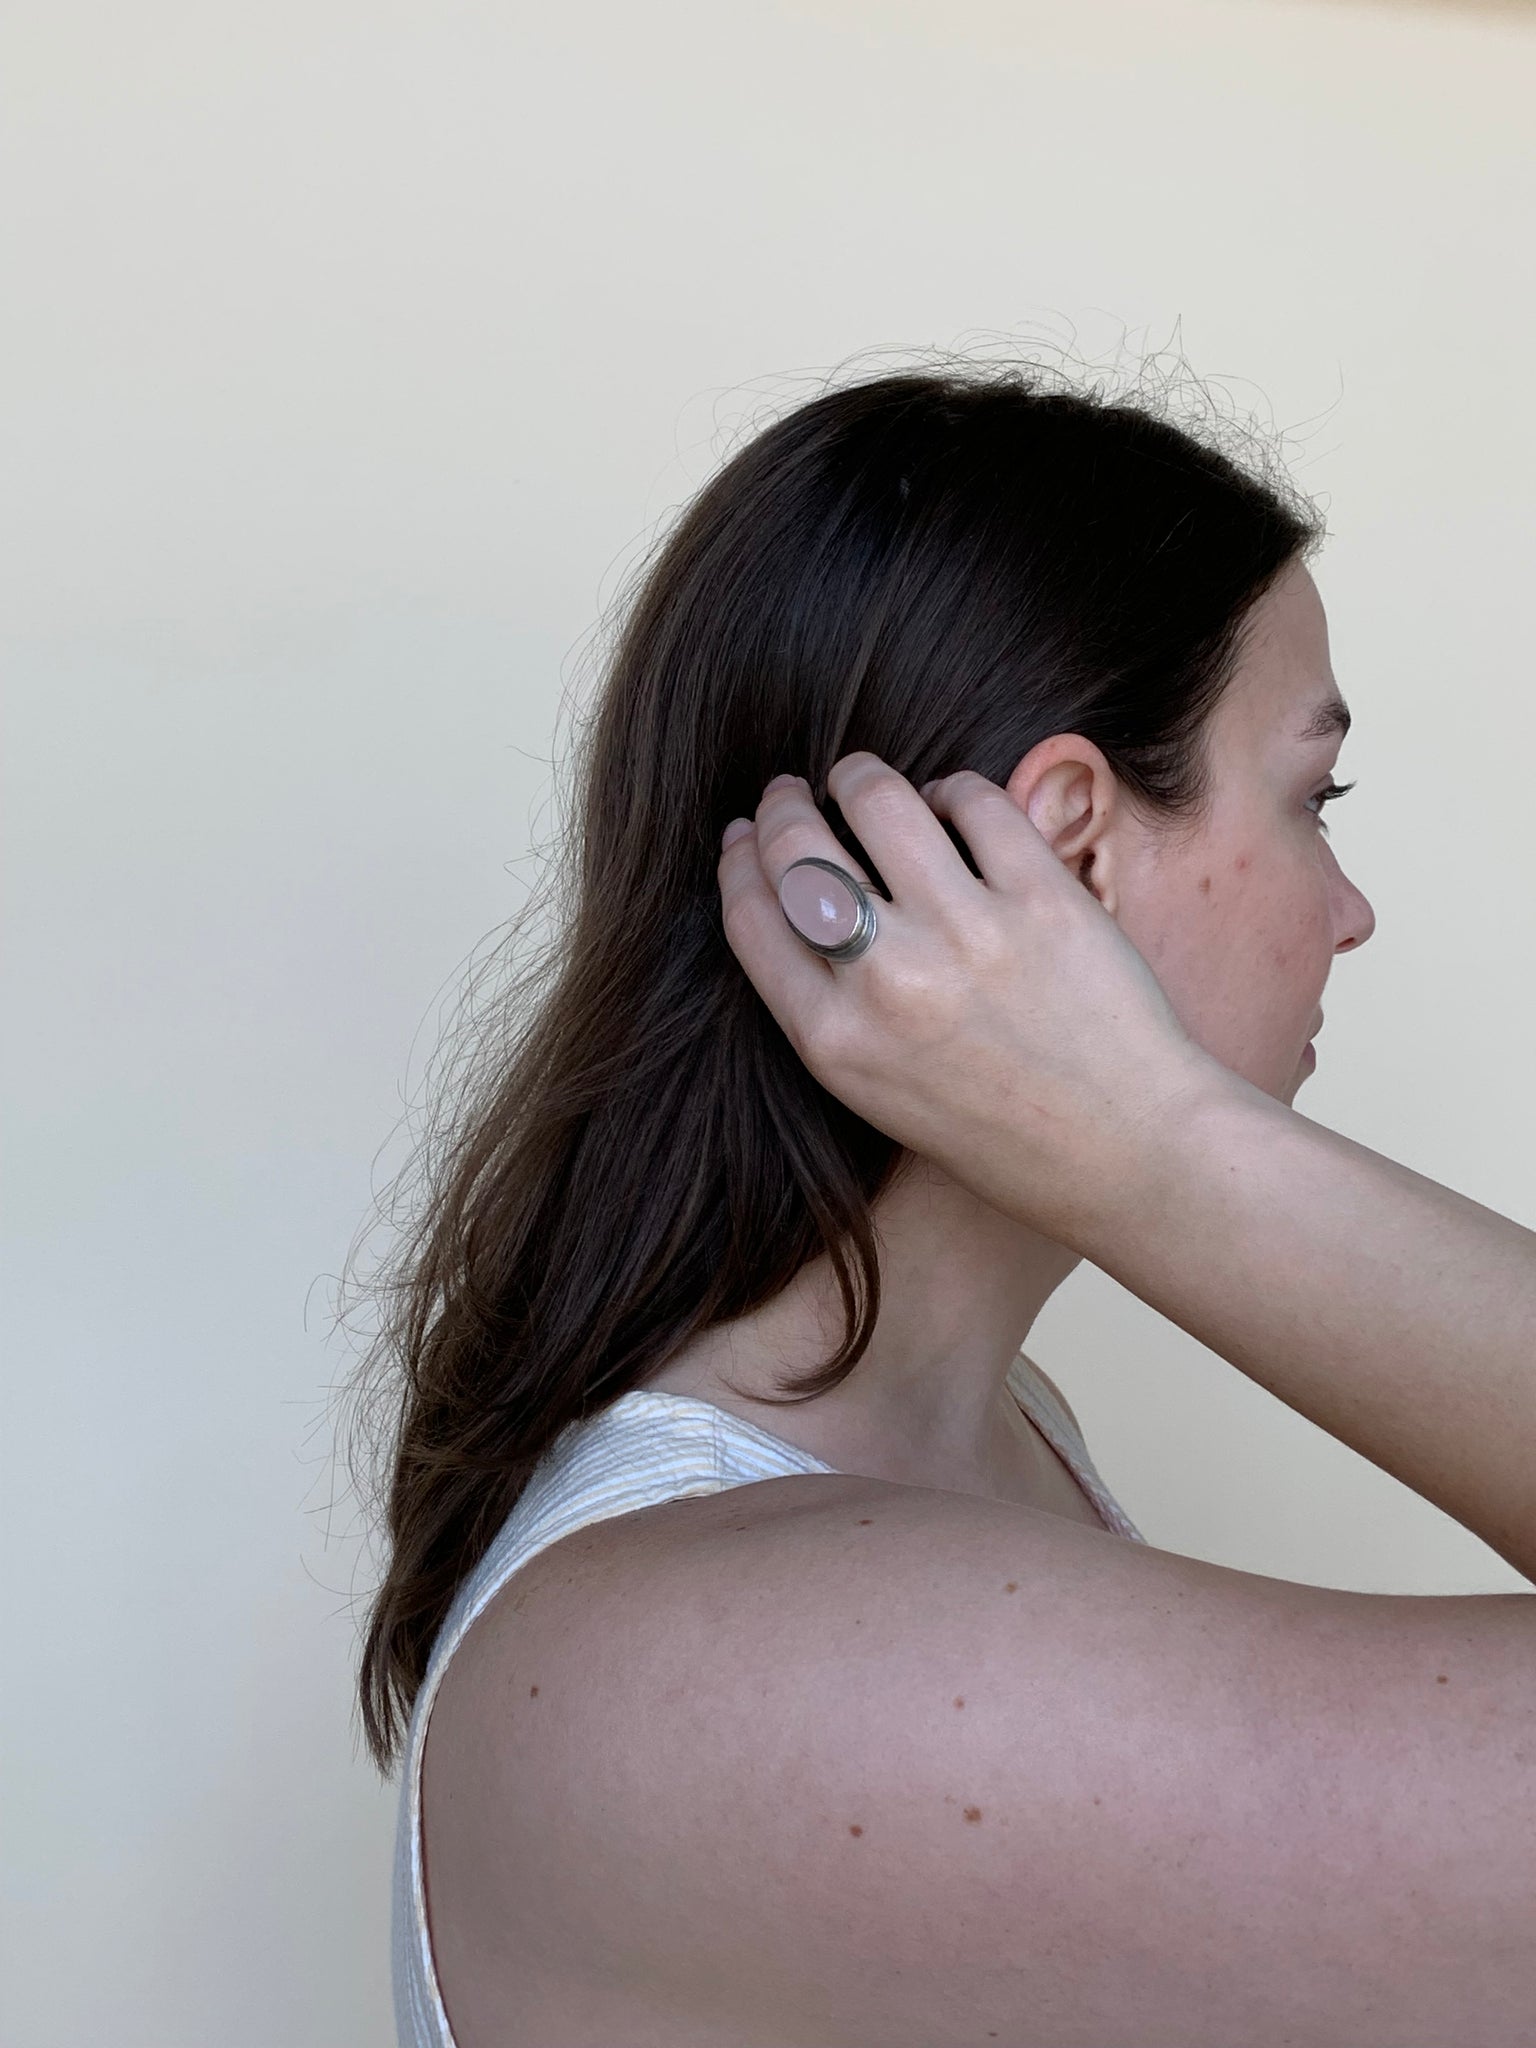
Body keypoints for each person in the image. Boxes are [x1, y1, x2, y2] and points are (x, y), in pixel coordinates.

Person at [348, 362, 1535, 2047]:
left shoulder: (970, 1445)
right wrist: (1161, 1152)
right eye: (1310, 798)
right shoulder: (746, 1655)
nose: (1348, 912)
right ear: (1070, 839)